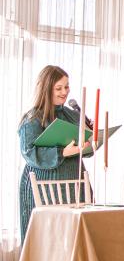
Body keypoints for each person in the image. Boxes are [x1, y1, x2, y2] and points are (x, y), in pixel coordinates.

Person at [18, 65, 91, 244]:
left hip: (74, 183)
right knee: (48, 240)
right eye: (58, 88)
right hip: (44, 186)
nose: (64, 92)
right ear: (46, 88)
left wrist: (91, 138)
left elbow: (85, 152)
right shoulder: (33, 118)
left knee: (77, 237)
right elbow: (29, 152)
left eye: (66, 86)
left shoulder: (73, 115)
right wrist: (62, 152)